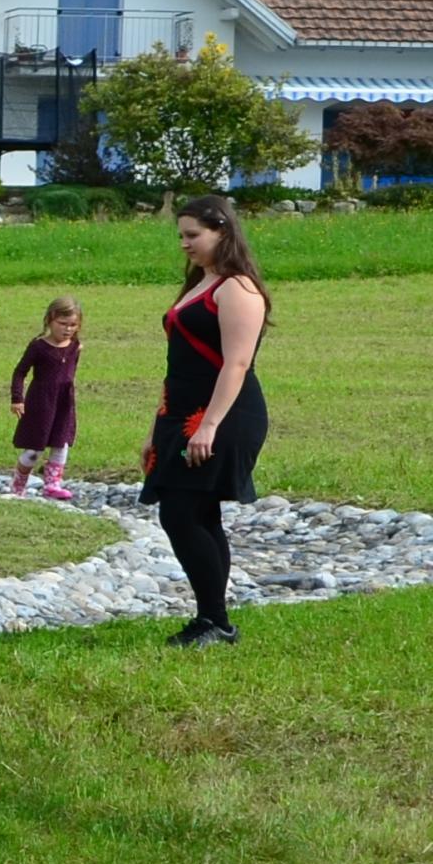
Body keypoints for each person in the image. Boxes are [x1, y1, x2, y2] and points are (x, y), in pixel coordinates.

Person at [142, 196, 271, 648]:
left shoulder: (238, 289)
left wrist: (209, 425)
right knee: (194, 512)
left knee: (182, 512)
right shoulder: (201, 282)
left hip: (224, 414)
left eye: (193, 235)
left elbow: (236, 364)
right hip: (180, 413)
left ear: (222, 230)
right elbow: (178, 364)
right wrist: (155, 428)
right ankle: (212, 619)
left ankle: (215, 621)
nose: (185, 243)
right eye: (181, 235)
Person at [9, 295, 84, 501]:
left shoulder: (75, 346)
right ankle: (18, 484)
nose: (67, 329)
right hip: (41, 402)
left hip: (64, 402)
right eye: (62, 324)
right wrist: (17, 399)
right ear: (50, 320)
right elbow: (20, 372)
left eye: (73, 325)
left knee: (61, 443)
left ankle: (52, 484)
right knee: (34, 449)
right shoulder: (38, 346)